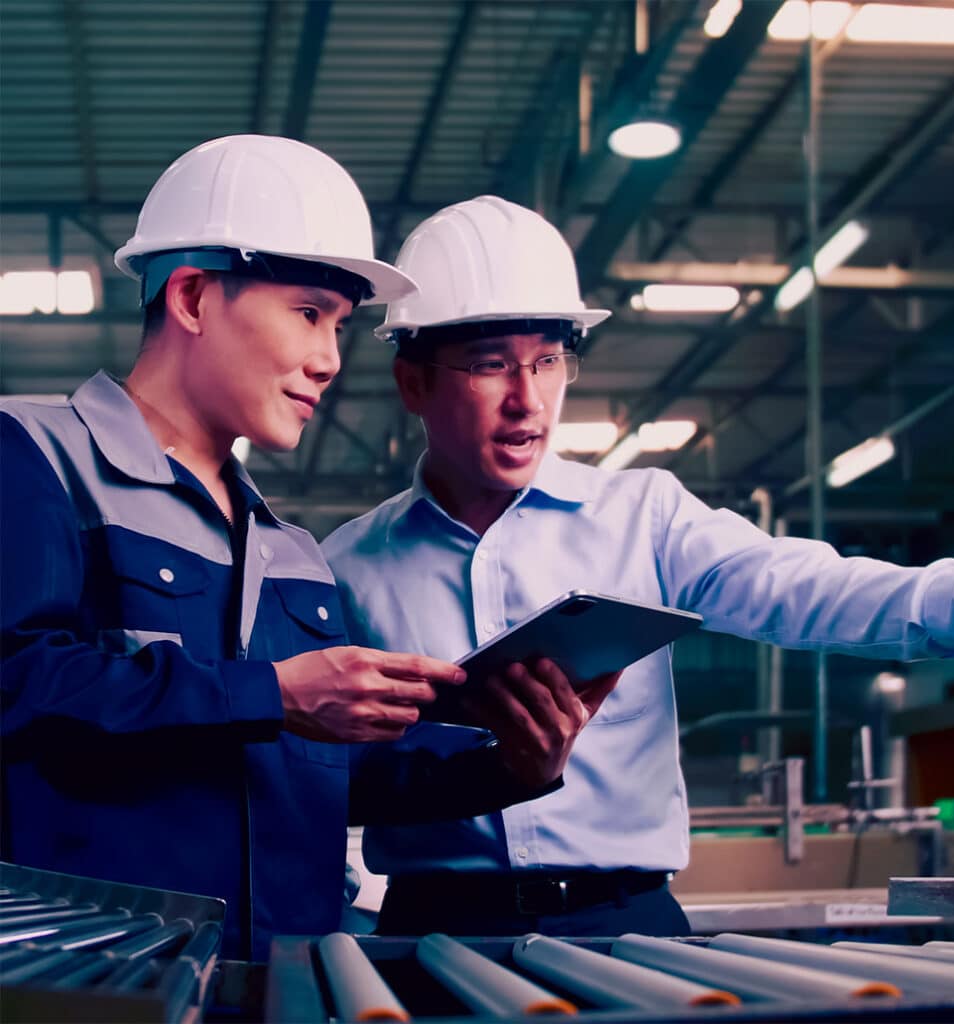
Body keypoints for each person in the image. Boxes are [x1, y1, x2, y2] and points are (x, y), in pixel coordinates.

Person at [0, 147, 614, 961]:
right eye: (309, 312)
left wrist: (513, 767)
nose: (329, 360)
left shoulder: (292, 554)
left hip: (289, 986)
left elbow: (334, 775)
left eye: (340, 326)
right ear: (191, 295)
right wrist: (270, 694)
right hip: (99, 984)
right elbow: (14, 682)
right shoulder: (35, 456)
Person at [322, 194, 954, 938]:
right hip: (434, 929)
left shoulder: (645, 517)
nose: (529, 402)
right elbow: (321, 773)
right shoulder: (346, 567)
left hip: (627, 920)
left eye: (548, 363)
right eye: (490, 366)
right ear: (413, 382)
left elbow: (794, 584)